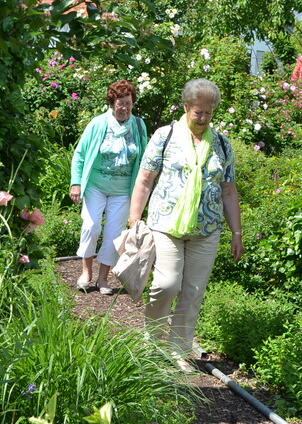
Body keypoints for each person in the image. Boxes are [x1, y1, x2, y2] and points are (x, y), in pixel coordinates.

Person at [128, 78, 244, 371]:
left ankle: (177, 349)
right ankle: (152, 341)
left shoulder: (221, 144)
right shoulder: (164, 136)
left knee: (193, 291)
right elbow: (144, 180)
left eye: (208, 112)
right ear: (186, 107)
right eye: (198, 112)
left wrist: (237, 232)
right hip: (166, 225)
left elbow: (229, 190)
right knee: (167, 284)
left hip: (206, 230)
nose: (203, 118)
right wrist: (134, 220)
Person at [70, 79, 149, 294]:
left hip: (123, 190)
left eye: (128, 103)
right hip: (96, 185)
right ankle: (86, 271)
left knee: (114, 234)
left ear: (133, 104)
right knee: (91, 226)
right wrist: (76, 183)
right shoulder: (98, 124)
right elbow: (80, 154)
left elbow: (145, 160)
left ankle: (103, 279)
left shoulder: (139, 127)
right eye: (120, 103)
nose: (124, 108)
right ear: (112, 103)